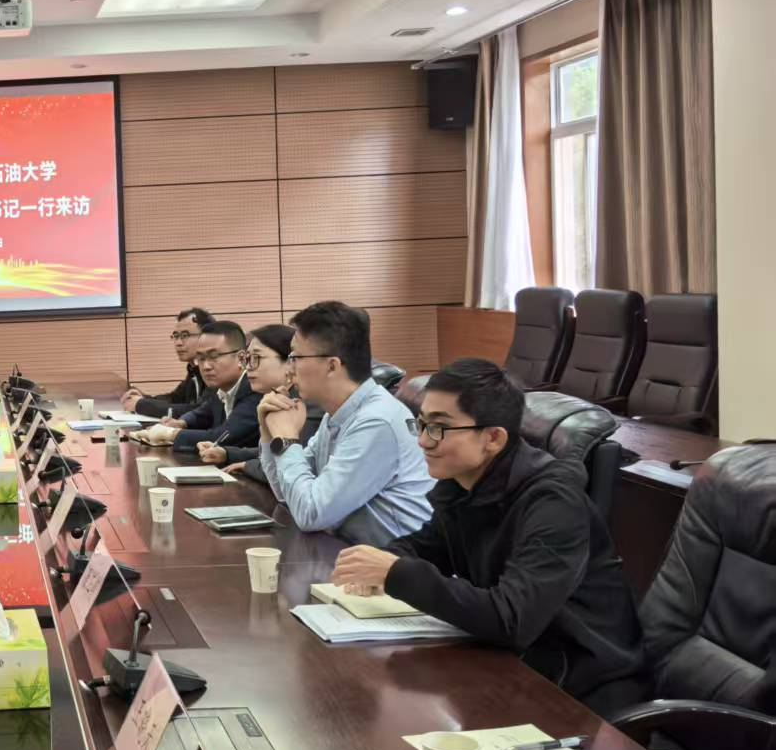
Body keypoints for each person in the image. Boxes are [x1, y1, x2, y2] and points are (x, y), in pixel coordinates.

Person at [331, 358, 647, 713]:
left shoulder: (554, 503)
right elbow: (428, 546)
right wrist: (383, 563)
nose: (422, 441)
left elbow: (512, 618)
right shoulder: (464, 484)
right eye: (420, 424)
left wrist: (396, 573)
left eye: (438, 428)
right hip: (516, 668)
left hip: (580, 690)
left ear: (494, 438)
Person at [259, 301, 432, 545]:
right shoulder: (338, 412)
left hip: (394, 560)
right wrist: (269, 434)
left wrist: (287, 440)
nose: (289, 369)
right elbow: (287, 495)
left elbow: (311, 513)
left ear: (332, 365)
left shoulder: (376, 421)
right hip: (349, 551)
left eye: (295, 357)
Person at [208, 324, 323, 478]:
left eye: (256, 358)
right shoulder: (276, 398)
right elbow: (276, 449)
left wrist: (249, 466)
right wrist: (227, 453)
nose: (248, 367)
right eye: (247, 359)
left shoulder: (308, 404)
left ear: (289, 362)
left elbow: (295, 463)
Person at [134, 321, 260, 453]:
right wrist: (181, 423)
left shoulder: (255, 388)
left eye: (214, 356)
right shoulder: (218, 387)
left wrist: (171, 434)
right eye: (201, 358)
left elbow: (223, 437)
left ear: (241, 359)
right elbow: (202, 413)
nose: (206, 366)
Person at [122, 306, 214, 418]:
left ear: (205, 336)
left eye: (185, 335)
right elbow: (175, 398)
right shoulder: (194, 369)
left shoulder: (214, 370)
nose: (178, 343)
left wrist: (141, 405)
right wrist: (144, 398)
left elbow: (198, 411)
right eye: (176, 336)